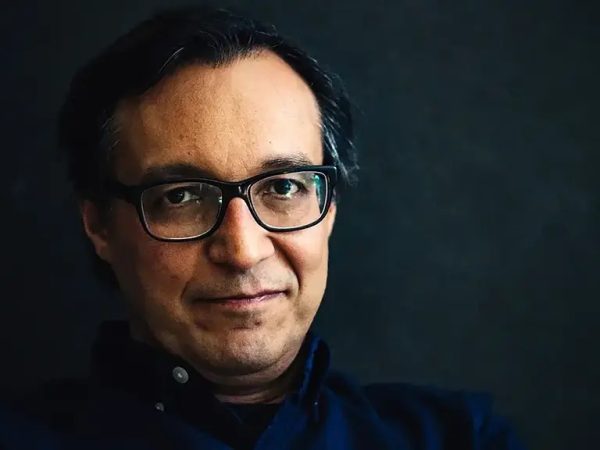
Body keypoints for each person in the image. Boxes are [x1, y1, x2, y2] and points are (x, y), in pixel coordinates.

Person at [0, 6, 526, 450]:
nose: (243, 250)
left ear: (330, 208)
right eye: (181, 196)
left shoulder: (461, 438)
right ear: (99, 225)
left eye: (284, 187)